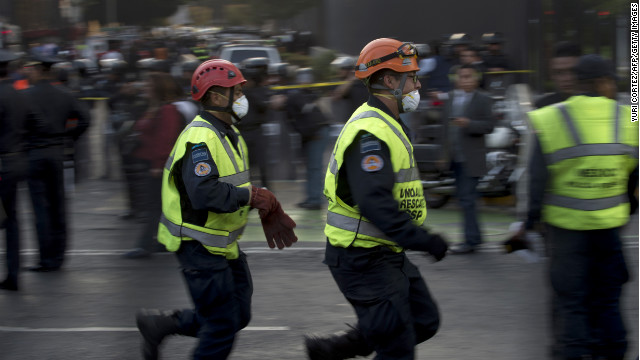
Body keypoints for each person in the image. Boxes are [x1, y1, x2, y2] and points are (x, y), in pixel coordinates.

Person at [134, 59, 297, 360]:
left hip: (221, 243)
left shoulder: (229, 134)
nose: (242, 98)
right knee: (222, 326)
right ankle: (163, 326)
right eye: (237, 92)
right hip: (198, 245)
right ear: (217, 96)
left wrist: (262, 206)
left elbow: (231, 189)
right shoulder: (201, 138)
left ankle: (160, 325)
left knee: (236, 316)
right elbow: (204, 192)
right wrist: (251, 197)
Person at [305, 38, 448, 360]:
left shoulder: (387, 123)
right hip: (361, 256)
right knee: (397, 346)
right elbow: (375, 202)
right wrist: (424, 240)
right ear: (389, 80)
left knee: (423, 321)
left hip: (384, 251)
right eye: (412, 77)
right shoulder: (371, 131)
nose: (418, 84)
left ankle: (332, 350)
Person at [524, 54, 638, 360]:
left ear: (578, 82)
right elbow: (635, 175)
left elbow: (537, 179)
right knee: (609, 303)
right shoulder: (630, 117)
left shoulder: (551, 117)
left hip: (566, 235)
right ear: (604, 82)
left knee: (572, 304)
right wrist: (626, 210)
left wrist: (531, 221)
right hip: (610, 232)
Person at [23, 54, 90, 272]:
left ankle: (46, 258)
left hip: (33, 154)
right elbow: (85, 118)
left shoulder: (26, 96)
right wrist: (68, 136)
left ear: (38, 70)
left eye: (30, 69)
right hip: (57, 153)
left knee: (40, 209)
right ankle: (59, 256)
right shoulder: (64, 95)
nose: (27, 73)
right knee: (58, 205)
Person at [122, 72, 186, 259]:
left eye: (149, 85)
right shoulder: (153, 108)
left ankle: (145, 245)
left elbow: (166, 139)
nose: (145, 88)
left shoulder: (167, 110)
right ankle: (163, 241)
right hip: (149, 163)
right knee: (160, 205)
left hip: (160, 165)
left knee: (153, 206)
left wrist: (158, 164)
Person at [445, 64, 495, 254]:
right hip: (455, 158)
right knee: (465, 199)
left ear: (475, 78)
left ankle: (470, 241)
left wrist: (469, 124)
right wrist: (443, 155)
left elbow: (489, 125)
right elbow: (445, 127)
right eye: (462, 77)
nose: (465, 80)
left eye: (468, 76)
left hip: (471, 159)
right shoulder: (451, 98)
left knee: (467, 200)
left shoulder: (484, 98)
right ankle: (474, 238)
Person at [0, 50, 31, 290]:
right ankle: (13, 274)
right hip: (17, 161)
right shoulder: (19, 94)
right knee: (12, 220)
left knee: (8, 218)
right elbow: (34, 124)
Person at [534, 41, 582, 108]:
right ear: (552, 75)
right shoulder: (542, 107)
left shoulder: (598, 102)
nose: (566, 79)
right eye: (559, 72)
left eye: (573, 71)